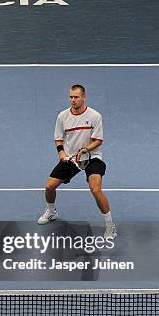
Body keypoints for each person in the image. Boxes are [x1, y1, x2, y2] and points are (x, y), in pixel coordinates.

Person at [37, 84, 116, 239]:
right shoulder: (62, 116)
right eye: (71, 97)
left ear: (84, 97)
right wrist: (61, 153)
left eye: (76, 97)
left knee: (95, 189)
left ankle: (110, 225)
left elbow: (98, 140)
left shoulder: (94, 116)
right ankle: (51, 211)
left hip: (92, 157)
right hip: (72, 158)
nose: (73, 100)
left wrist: (85, 150)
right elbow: (58, 138)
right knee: (49, 186)